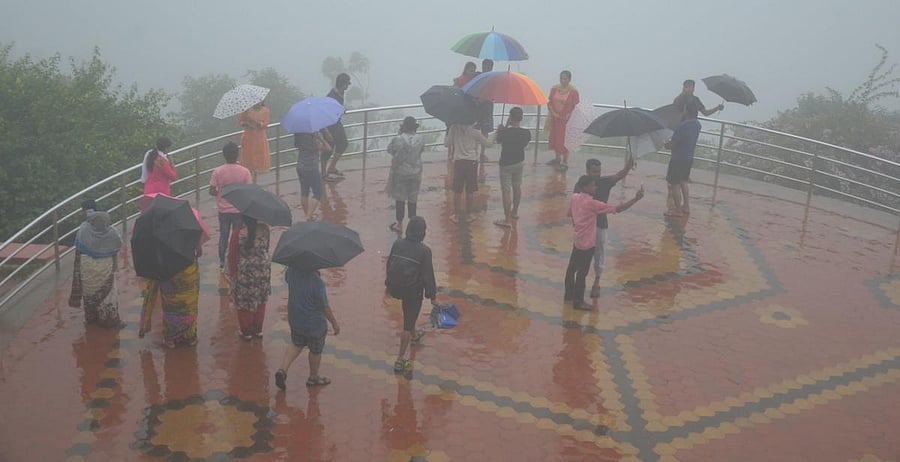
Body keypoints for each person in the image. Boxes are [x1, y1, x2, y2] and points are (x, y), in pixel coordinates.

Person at [565, 175, 643, 310]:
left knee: (572, 268)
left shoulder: (574, 197)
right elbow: (617, 209)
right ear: (585, 187)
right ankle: (578, 301)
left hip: (577, 240)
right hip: (588, 243)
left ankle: (568, 295)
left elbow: (570, 214)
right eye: (592, 185)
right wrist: (636, 198)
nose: (595, 187)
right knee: (582, 273)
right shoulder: (592, 203)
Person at [139, 208, 209, 348]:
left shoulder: (159, 236)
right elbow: (199, 252)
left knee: (171, 306)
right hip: (189, 275)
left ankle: (171, 338)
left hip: (169, 275)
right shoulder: (189, 231)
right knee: (189, 305)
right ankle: (190, 337)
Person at [385, 216, 437, 373]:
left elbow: (389, 264)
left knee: (410, 314)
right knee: (407, 322)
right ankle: (400, 358)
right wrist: (432, 296)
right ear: (422, 232)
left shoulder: (397, 243)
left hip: (396, 287)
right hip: (412, 291)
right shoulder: (425, 251)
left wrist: (388, 286)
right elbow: (428, 276)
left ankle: (414, 336)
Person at [274, 267, 340, 390]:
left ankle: (283, 370)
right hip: (314, 324)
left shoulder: (292, 272)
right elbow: (324, 307)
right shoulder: (317, 282)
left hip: (295, 318)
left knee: (296, 344)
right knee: (315, 350)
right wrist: (334, 323)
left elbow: (288, 279)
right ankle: (313, 377)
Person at [68, 200, 125, 328]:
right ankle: (109, 320)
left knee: (89, 292)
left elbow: (78, 248)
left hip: (86, 266)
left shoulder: (83, 229)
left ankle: (91, 318)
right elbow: (117, 246)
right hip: (105, 267)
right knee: (108, 294)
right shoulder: (112, 232)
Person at [584, 156, 635, 297]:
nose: (598, 175)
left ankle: (596, 282)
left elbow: (619, 175)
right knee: (583, 254)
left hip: (600, 224)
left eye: (599, 171)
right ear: (587, 171)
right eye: (594, 172)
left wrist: (628, 166)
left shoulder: (604, 182)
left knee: (599, 253)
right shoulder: (581, 184)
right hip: (586, 225)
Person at [209, 141, 252, 269]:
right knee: (237, 236)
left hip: (223, 210)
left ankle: (222, 261)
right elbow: (249, 190)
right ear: (237, 155)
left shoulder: (218, 171)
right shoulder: (245, 171)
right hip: (239, 210)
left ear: (224, 155)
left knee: (223, 235)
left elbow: (211, 190)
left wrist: (220, 194)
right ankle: (236, 259)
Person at [227, 215, 271, 340]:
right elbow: (266, 248)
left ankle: (246, 332)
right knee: (261, 300)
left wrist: (232, 276)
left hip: (245, 274)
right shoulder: (265, 230)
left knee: (243, 302)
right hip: (263, 271)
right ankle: (258, 330)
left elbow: (232, 256)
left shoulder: (238, 233)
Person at [446, 123, 492, 223]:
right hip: (472, 162)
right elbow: (488, 144)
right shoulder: (475, 131)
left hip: (459, 162)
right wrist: (497, 134)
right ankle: (469, 215)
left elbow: (447, 144)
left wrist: (450, 132)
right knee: (470, 190)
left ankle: (457, 215)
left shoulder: (454, 128)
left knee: (457, 190)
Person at [493, 107, 531, 228]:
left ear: (510, 117)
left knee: (506, 191)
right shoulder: (526, 133)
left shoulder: (504, 132)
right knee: (517, 187)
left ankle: (507, 219)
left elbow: (498, 141)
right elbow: (524, 144)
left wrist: (502, 128)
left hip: (506, 164)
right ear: (521, 118)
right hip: (519, 161)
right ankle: (514, 212)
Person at [386, 117, 425, 232]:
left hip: (401, 173)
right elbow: (421, 151)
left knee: (400, 198)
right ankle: (413, 223)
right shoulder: (421, 139)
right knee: (413, 198)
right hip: (416, 172)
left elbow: (390, 150)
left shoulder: (398, 139)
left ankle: (399, 223)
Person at [664, 102, 703, 217]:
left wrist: (666, 145)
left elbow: (672, 144)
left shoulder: (682, 126)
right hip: (688, 158)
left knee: (674, 184)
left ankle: (678, 210)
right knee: (684, 182)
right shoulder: (697, 124)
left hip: (677, 159)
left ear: (687, 112)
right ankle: (686, 206)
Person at [547, 70, 580, 170]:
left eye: (565, 78)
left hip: (566, 120)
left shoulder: (573, 91)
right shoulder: (554, 89)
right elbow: (549, 102)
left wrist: (569, 115)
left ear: (569, 79)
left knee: (565, 139)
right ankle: (557, 158)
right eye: (561, 78)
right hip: (555, 118)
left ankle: (565, 161)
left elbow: (576, 105)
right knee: (555, 138)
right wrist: (553, 112)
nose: (563, 80)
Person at [324, 73, 351, 182]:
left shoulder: (341, 93)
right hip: (329, 124)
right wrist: (326, 131)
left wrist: (341, 110)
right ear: (343, 84)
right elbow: (328, 111)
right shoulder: (332, 95)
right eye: (347, 84)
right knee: (328, 149)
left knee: (343, 143)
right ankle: (323, 173)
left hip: (337, 123)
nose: (348, 86)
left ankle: (332, 167)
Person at [238, 101, 271, 183]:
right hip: (248, 138)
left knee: (258, 159)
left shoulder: (265, 110)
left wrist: (256, 122)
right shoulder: (246, 110)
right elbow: (241, 121)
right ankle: (249, 180)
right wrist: (247, 123)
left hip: (259, 138)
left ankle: (255, 181)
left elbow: (265, 124)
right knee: (248, 159)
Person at [294, 132, 324, 221]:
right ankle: (308, 216)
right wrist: (320, 138)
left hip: (300, 167)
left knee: (304, 192)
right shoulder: (313, 142)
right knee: (318, 193)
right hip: (311, 168)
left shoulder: (299, 136)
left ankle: (307, 214)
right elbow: (328, 148)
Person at [475, 59, 495, 161]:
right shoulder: (478, 77)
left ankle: (482, 153)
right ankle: (474, 151)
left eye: (488, 66)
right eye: (485, 66)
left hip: (487, 106)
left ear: (491, 67)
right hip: (478, 105)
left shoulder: (493, 78)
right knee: (474, 129)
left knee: (485, 130)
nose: (486, 68)